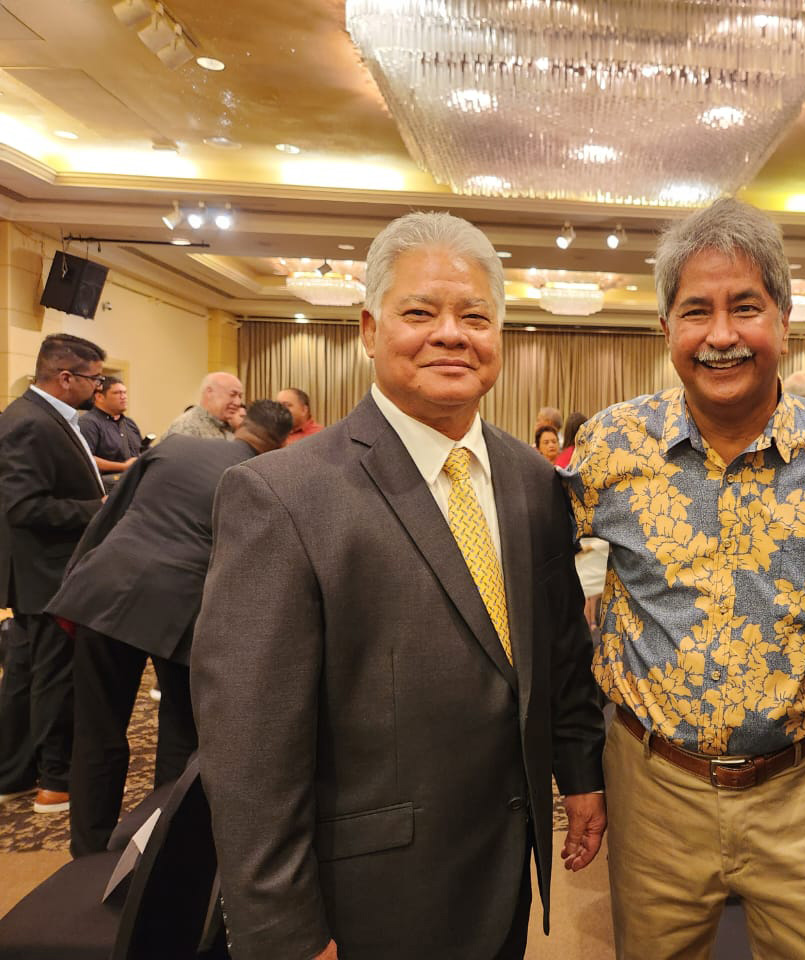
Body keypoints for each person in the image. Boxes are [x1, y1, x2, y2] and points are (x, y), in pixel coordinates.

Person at [192, 211, 606, 960]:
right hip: (369, 896)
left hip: (507, 863)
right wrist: (282, 933)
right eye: (420, 312)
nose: (452, 334)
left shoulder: (535, 482)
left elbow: (560, 651)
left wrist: (579, 777)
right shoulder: (280, 495)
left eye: (475, 316)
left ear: (499, 336)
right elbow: (250, 749)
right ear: (368, 328)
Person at [561, 198, 805, 959]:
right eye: (697, 310)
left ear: (785, 320)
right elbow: (532, 579)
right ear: (667, 327)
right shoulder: (611, 446)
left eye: (746, 307)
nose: (722, 335)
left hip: (803, 786)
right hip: (652, 781)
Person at [47, 400, 293, 857]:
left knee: (97, 730)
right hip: (183, 609)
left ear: (241, 423)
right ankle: (161, 850)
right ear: (280, 442)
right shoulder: (264, 477)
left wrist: (75, 580)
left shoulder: (174, 447)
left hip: (105, 588)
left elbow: (108, 517)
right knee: (181, 733)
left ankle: (87, 853)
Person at [0, 333, 106, 814]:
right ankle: (53, 779)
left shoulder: (48, 418)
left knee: (25, 676)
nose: (99, 387)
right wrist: (99, 509)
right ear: (66, 378)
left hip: (45, 574)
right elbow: (24, 507)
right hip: (45, 574)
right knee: (53, 678)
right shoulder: (29, 423)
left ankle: (16, 772)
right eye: (94, 378)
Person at [77, 376, 142, 492]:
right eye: (117, 393)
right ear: (99, 397)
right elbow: (85, 458)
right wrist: (123, 467)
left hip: (133, 488)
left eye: (125, 392)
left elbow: (141, 450)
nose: (124, 397)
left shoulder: (129, 423)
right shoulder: (88, 423)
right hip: (104, 492)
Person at [161, 372, 243, 441]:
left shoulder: (232, 426)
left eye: (240, 396)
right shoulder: (186, 428)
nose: (238, 402)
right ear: (209, 392)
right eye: (232, 395)